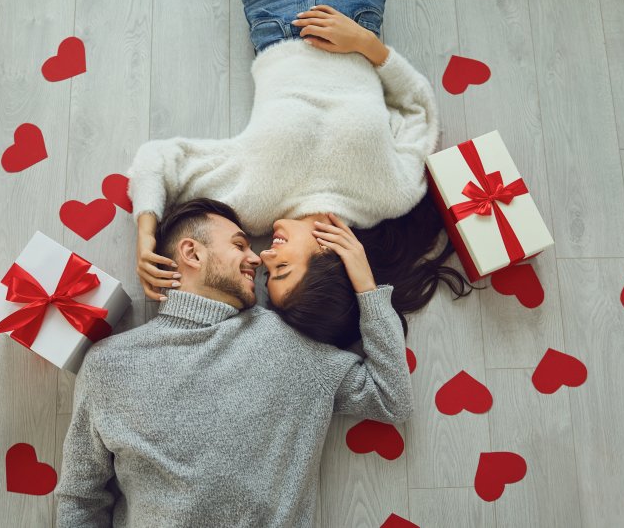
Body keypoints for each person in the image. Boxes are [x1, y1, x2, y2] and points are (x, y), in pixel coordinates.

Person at [128, 0, 483, 350]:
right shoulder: (391, 195)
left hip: (275, 18)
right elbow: (418, 108)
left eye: (267, 273)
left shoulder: (253, 207)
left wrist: (146, 236)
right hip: (356, 13)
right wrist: (367, 45)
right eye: (281, 269)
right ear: (329, 257)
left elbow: (158, 160)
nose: (263, 256)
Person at [54, 198, 413, 527]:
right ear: (191, 254)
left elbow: (391, 398)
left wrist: (366, 286)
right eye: (239, 245)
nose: (256, 259)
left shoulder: (292, 346)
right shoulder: (108, 365)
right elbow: (81, 498)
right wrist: (146, 229)